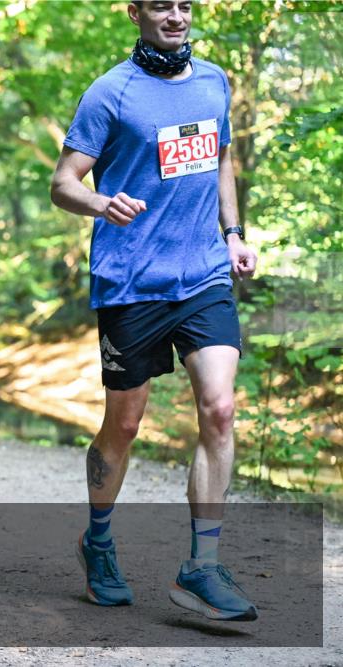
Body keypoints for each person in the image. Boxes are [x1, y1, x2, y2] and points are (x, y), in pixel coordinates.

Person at [50, 1, 259, 621]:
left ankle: (202, 566)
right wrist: (99, 203)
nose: (176, 16)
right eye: (161, 5)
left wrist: (234, 233)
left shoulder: (215, 79)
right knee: (125, 424)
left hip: (202, 274)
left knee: (219, 409)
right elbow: (63, 182)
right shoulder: (111, 91)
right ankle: (100, 542)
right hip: (132, 281)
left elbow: (220, 159)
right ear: (136, 12)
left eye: (185, 5)